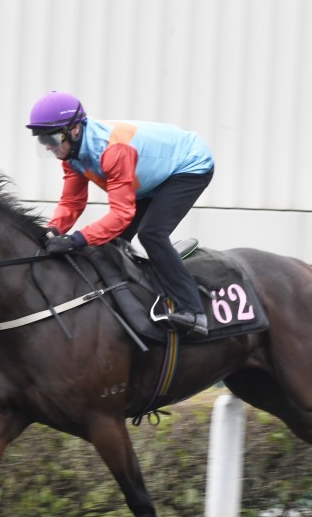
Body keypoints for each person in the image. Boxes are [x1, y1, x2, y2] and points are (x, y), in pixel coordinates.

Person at [27, 91, 215, 338]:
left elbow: (121, 215)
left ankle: (193, 312)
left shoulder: (113, 150)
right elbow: (72, 202)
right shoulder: (70, 154)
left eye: (51, 138)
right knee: (113, 243)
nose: (49, 147)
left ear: (74, 130)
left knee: (152, 234)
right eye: (42, 141)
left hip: (188, 165)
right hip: (148, 177)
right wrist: (53, 229)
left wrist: (76, 240)